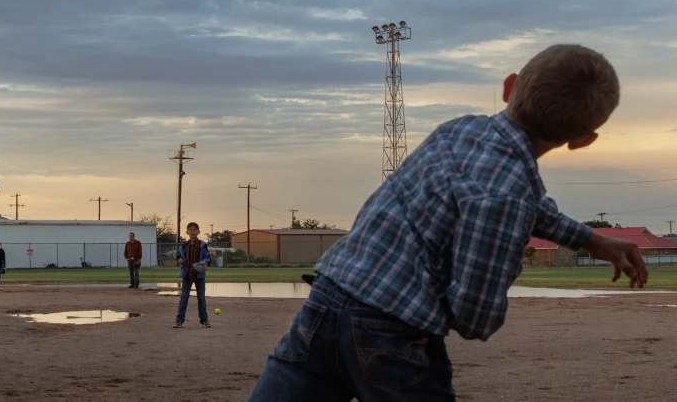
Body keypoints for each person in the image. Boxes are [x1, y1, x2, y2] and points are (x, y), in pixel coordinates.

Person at [248, 44, 650, 401]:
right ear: (583, 140)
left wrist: (591, 240)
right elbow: (475, 319)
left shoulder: (458, 130)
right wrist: (507, 260)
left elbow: (508, 196)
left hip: (326, 302)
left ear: (510, 86)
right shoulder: (507, 196)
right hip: (393, 333)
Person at [173, 222, 212, 329]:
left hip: (199, 275)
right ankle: (179, 321)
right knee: (184, 297)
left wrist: (203, 263)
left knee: (201, 298)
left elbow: (208, 258)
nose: (193, 231)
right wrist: (179, 260)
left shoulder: (202, 245)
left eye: (195, 230)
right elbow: (179, 257)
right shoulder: (184, 246)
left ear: (198, 232)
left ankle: (204, 321)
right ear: (187, 232)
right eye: (191, 230)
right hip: (187, 274)